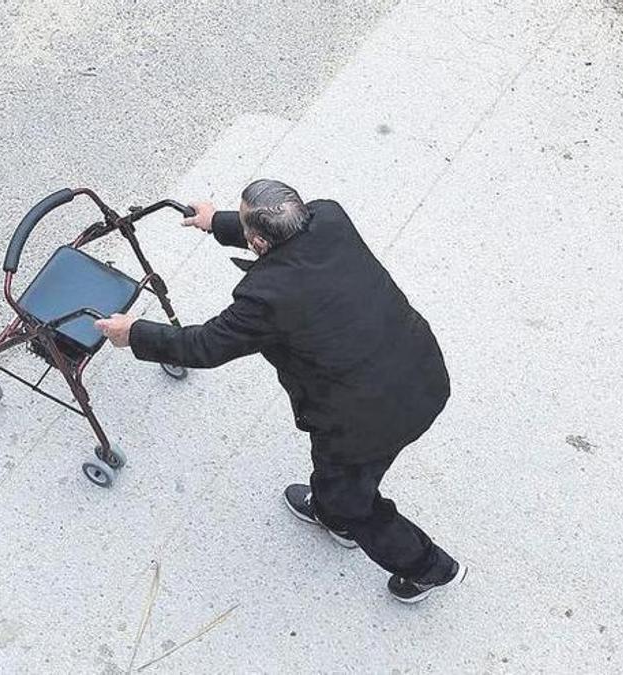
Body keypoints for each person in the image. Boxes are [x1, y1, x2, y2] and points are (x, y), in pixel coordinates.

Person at [94, 179, 466, 603]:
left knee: (347, 494)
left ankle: (426, 568)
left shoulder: (265, 298)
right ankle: (334, 517)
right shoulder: (330, 216)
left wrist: (134, 333)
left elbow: (203, 346)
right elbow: (281, 226)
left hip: (366, 417)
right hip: (423, 374)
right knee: (346, 475)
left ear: (257, 241)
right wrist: (217, 222)